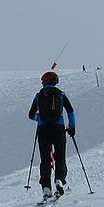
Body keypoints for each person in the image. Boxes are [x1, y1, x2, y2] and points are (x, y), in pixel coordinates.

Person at [29, 71, 75, 199]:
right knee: (60, 156)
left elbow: (31, 115)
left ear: (43, 82)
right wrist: (72, 128)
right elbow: (70, 111)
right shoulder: (61, 94)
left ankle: (46, 188)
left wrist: (40, 119)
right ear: (56, 81)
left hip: (43, 129)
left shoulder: (38, 96)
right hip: (58, 128)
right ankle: (59, 180)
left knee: (45, 159)